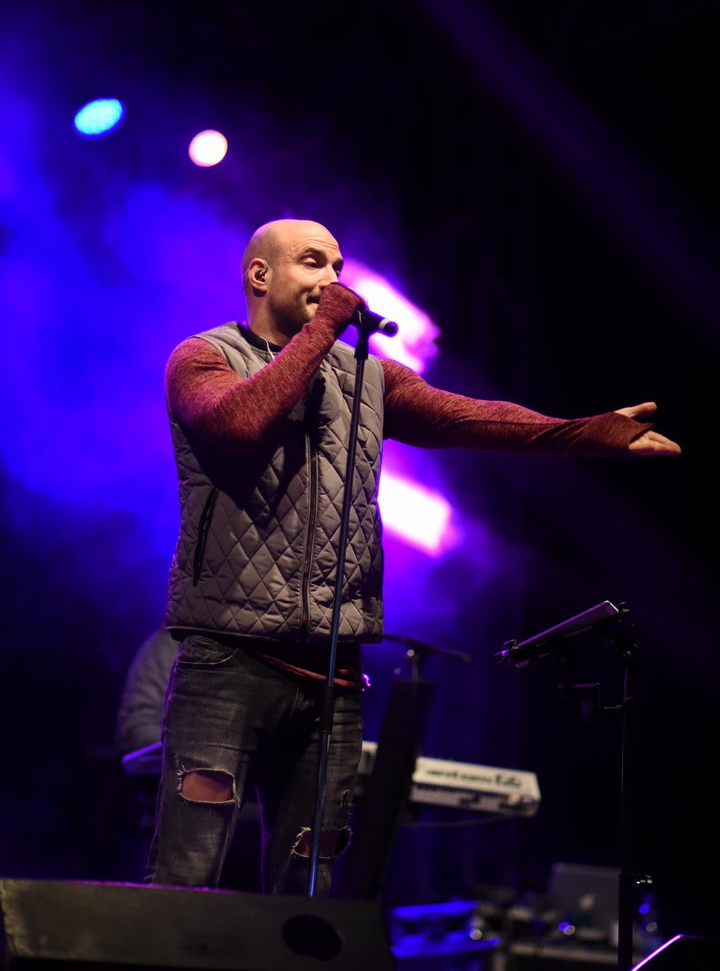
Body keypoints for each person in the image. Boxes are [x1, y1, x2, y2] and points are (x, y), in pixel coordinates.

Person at [146, 218, 680, 897]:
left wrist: (583, 433)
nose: (331, 280)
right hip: (228, 660)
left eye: (338, 267)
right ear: (260, 275)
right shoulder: (202, 358)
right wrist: (325, 329)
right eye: (312, 263)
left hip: (333, 674)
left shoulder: (364, 377)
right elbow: (239, 423)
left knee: (307, 891)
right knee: (188, 874)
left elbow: (470, 418)